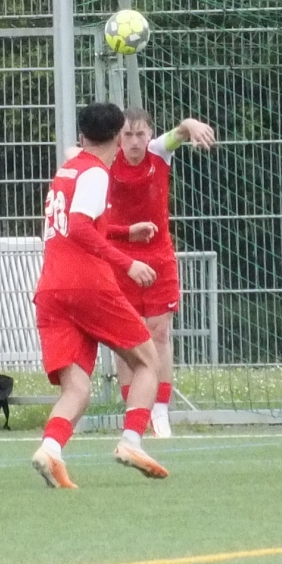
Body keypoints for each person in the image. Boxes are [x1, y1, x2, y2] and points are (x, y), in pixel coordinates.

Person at [27, 100, 171, 490]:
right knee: (148, 361)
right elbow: (78, 227)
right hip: (87, 285)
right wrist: (128, 262)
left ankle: (50, 449)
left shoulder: (67, 170)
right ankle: (131, 441)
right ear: (118, 138)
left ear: (83, 134)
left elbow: (72, 226)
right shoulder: (95, 172)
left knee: (77, 387)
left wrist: (124, 232)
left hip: (51, 289)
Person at [105, 107, 216, 437]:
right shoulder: (106, 159)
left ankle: (161, 411)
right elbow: (76, 156)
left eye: (140, 134)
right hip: (119, 258)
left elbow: (179, 133)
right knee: (125, 337)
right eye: (127, 134)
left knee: (160, 333)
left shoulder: (158, 152)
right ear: (118, 137)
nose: (134, 141)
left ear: (150, 135)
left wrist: (191, 125)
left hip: (158, 258)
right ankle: (134, 412)